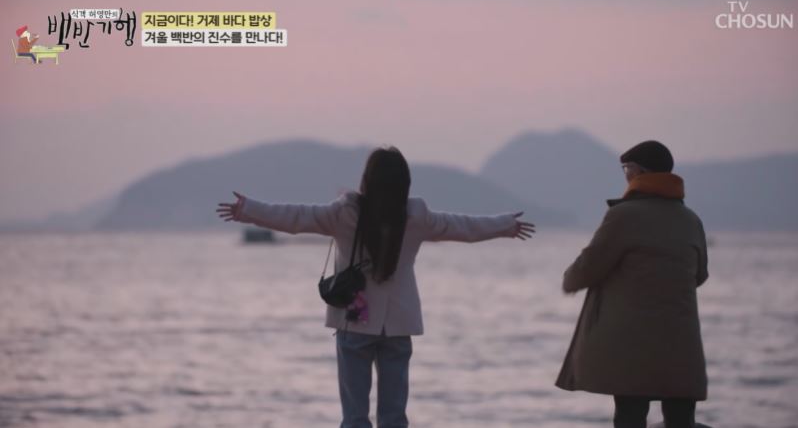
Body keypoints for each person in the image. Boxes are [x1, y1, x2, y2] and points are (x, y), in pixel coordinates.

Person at [216, 146, 535, 428]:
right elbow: (463, 227)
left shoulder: (344, 214)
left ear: (367, 180)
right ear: (404, 184)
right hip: (398, 325)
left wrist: (249, 210)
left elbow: (297, 217)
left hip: (354, 322)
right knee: (394, 419)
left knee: (354, 419)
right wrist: (504, 225)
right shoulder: (416, 217)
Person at [555, 140, 709, 428]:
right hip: (681, 338)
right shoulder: (691, 220)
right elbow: (700, 275)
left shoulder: (624, 215)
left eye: (626, 169)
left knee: (630, 414)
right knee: (681, 417)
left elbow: (587, 268)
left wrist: (569, 280)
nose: (625, 175)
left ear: (639, 172)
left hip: (633, 339)